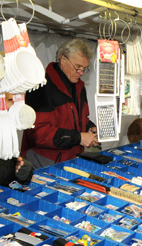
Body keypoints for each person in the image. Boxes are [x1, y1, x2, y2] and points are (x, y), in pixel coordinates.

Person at [22, 39, 98, 167]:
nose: (80, 73)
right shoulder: (41, 87)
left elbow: (80, 119)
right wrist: (79, 138)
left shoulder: (79, 87)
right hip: (43, 160)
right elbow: (39, 133)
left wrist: (89, 128)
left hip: (72, 158)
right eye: (77, 67)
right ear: (63, 59)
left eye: (84, 69)